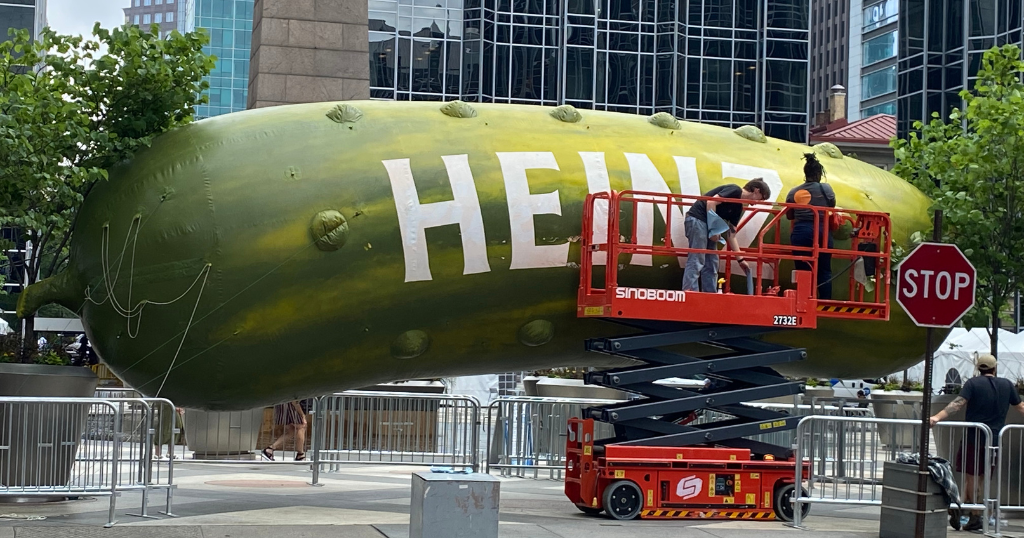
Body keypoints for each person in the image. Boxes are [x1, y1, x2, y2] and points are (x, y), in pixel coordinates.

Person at [930, 354, 1024, 531]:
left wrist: (936, 417)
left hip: (973, 438)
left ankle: (967, 510)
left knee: (971, 477)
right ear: (995, 368)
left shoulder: (972, 384)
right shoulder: (1007, 385)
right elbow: (1020, 407)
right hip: (995, 440)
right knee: (981, 478)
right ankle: (969, 511)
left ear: (978, 368)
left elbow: (957, 404)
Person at [682, 179, 772, 293]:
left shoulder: (738, 207)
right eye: (762, 197)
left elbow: (732, 235)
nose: (760, 202)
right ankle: (690, 292)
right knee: (697, 258)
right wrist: (714, 230)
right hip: (698, 218)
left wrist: (740, 259)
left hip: (706, 223)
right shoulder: (735, 190)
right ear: (756, 191)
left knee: (712, 262)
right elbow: (711, 202)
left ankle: (709, 294)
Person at [786, 153, 837, 300]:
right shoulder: (827, 189)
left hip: (801, 231)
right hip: (823, 232)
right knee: (824, 269)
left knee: (803, 269)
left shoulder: (794, 192)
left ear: (805, 173)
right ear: (819, 174)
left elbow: (789, 215)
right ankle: (825, 301)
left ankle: (804, 300)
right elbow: (831, 206)